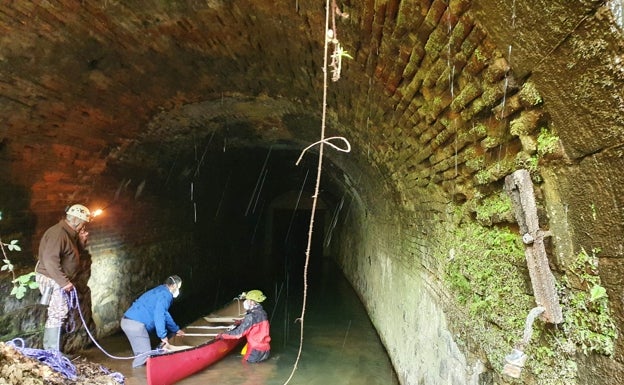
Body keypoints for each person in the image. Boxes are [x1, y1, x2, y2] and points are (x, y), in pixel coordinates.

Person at [35, 204, 92, 351]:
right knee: (57, 313)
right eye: (82, 223)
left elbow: (70, 254)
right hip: (52, 279)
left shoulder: (69, 234)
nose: (83, 226)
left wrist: (81, 241)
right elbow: (50, 260)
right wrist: (64, 282)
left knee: (61, 312)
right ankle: (52, 352)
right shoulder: (58, 233)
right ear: (75, 220)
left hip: (59, 279)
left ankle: (55, 350)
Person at [121, 275, 186, 367]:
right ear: (173, 286)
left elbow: (165, 314)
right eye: (178, 287)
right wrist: (163, 335)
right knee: (145, 356)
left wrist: (176, 329)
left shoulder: (161, 290)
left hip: (128, 322)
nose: (178, 290)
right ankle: (135, 378)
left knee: (142, 353)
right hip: (135, 325)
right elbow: (159, 315)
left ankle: (139, 373)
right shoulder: (166, 295)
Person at [218, 289, 271, 363]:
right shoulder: (262, 313)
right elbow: (257, 324)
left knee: (246, 369)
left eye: (247, 300)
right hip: (266, 350)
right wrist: (242, 322)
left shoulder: (251, 317)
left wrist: (223, 335)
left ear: (252, 302)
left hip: (255, 351)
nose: (246, 302)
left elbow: (238, 334)